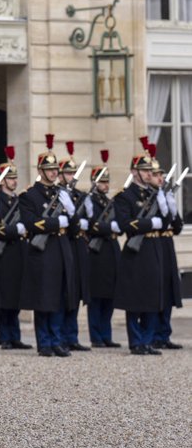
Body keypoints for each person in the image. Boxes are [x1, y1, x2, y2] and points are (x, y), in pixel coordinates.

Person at [19, 134, 76, 357]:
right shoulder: (30, 195)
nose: (53, 172)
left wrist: (71, 214)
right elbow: (29, 222)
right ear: (40, 170)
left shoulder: (61, 194)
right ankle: (44, 342)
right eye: (49, 169)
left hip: (62, 249)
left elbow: (73, 224)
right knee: (44, 298)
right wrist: (55, 222)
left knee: (61, 296)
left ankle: (57, 340)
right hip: (43, 251)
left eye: (55, 169)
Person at [113, 139, 165, 355]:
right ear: (134, 172)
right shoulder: (125, 196)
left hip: (153, 248)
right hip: (136, 250)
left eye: (148, 170)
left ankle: (148, 339)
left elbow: (168, 220)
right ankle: (136, 341)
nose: (146, 174)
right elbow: (126, 224)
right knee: (135, 298)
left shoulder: (154, 194)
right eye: (142, 170)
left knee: (153, 296)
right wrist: (149, 223)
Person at [0, 146, 31, 350]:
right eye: (10, 178)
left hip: (18, 253)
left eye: (15, 178)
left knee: (16, 297)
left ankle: (14, 336)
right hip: (3, 253)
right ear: (2, 179)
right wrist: (16, 230)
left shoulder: (19, 200)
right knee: (3, 298)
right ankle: (4, 337)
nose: (14, 181)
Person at [149, 144, 183, 351]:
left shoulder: (164, 195)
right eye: (155, 175)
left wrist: (171, 206)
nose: (160, 178)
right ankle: (152, 334)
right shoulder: (147, 197)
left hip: (167, 244)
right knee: (156, 290)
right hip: (154, 243)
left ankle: (164, 333)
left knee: (169, 288)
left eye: (160, 174)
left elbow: (176, 226)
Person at [86, 150, 122, 348]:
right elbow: (91, 225)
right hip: (97, 252)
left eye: (106, 182)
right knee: (97, 297)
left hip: (111, 249)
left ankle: (106, 334)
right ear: (94, 182)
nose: (105, 185)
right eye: (101, 182)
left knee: (109, 296)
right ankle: (96, 335)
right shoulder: (90, 201)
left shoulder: (109, 202)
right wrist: (109, 227)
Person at [58, 142, 91, 352]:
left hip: (79, 244)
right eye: (66, 174)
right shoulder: (56, 196)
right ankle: (60, 335)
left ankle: (72, 336)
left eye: (72, 174)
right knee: (64, 292)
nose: (70, 177)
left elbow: (88, 219)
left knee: (77, 290)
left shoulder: (79, 196)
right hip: (65, 243)